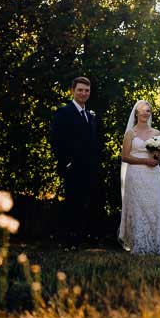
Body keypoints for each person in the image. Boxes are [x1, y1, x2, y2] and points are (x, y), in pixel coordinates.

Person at [117, 100, 160, 256]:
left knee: (156, 206)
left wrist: (157, 157)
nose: (145, 112)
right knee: (139, 208)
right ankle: (141, 244)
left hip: (153, 175)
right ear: (136, 113)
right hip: (136, 175)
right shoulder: (130, 133)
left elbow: (159, 156)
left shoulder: (156, 133)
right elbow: (125, 157)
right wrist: (145, 161)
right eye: (142, 110)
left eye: (148, 111)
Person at [50, 76, 104, 247]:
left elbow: (94, 142)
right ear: (72, 91)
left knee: (85, 204)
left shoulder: (91, 115)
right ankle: (66, 241)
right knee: (71, 203)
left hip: (89, 168)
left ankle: (78, 240)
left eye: (87, 90)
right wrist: (66, 162)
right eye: (80, 90)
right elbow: (56, 140)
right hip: (72, 167)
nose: (83, 93)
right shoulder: (63, 112)